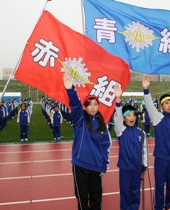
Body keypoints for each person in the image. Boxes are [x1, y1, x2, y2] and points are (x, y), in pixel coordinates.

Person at [63, 73, 112, 210]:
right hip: (80, 165)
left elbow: (105, 146)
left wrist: (104, 165)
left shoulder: (102, 124)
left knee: (96, 199)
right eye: (89, 105)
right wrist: (70, 89)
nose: (93, 107)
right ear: (85, 107)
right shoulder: (80, 119)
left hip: (96, 167)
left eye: (95, 104)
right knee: (82, 198)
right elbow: (75, 105)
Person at [142, 75, 170, 210]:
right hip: (161, 158)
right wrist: (146, 90)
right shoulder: (157, 118)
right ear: (161, 106)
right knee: (159, 184)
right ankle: (158, 206)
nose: (169, 105)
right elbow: (149, 106)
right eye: (167, 103)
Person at [114, 85, 148, 210]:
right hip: (125, 168)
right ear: (124, 119)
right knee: (125, 192)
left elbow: (145, 150)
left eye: (133, 115)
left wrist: (144, 165)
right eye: (128, 116)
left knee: (135, 193)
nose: (132, 118)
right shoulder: (121, 131)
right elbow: (117, 119)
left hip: (137, 168)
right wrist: (118, 100)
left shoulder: (141, 132)